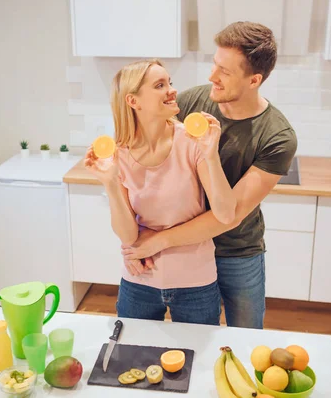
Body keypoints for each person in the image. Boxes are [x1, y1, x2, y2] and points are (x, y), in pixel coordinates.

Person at [120, 21, 298, 329]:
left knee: (246, 337)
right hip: (183, 251)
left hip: (236, 252)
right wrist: (134, 239)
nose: (211, 76)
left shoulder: (276, 137)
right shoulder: (192, 103)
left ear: (254, 80)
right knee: (187, 341)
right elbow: (146, 146)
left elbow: (229, 214)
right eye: (215, 65)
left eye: (225, 72)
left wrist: (152, 243)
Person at [84, 58, 237, 326]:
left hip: (196, 283)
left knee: (197, 359)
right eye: (159, 85)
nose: (172, 90)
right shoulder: (119, 155)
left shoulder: (191, 142)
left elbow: (225, 214)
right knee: (133, 360)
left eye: (170, 82)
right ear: (133, 101)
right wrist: (110, 183)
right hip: (139, 281)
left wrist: (211, 156)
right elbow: (128, 234)